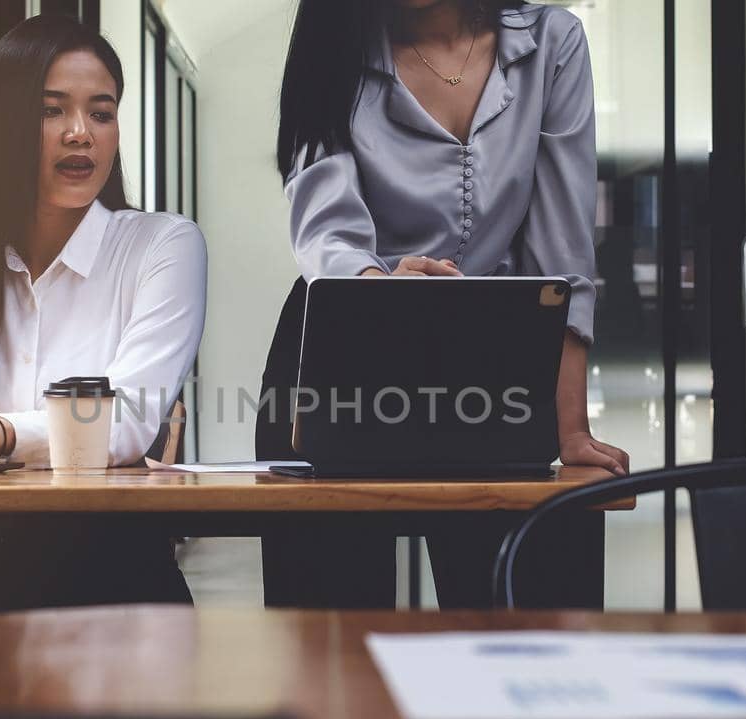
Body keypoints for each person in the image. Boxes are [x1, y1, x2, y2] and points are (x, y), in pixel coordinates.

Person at [258, 0, 628, 608]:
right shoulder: (333, 52)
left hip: (497, 357)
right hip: (342, 351)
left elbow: (561, 251)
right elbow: (328, 234)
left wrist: (570, 427)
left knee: (525, 628)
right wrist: (381, 289)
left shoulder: (551, 42)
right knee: (332, 652)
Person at [0, 15, 207, 615]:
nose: (80, 133)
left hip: (113, 574)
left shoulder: (163, 246)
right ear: (5, 124)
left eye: (101, 112)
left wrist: (0, 432)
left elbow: (129, 419)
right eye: (51, 110)